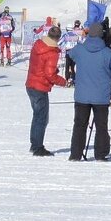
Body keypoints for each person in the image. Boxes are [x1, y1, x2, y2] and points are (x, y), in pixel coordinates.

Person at [66, 20, 111, 162]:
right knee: (101, 127)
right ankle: (100, 155)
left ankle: (75, 155)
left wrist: (71, 72)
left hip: (81, 96)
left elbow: (69, 55)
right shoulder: (107, 53)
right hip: (101, 97)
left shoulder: (79, 49)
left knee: (79, 125)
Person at [24, 25, 67, 156]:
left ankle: (34, 144)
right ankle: (37, 147)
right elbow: (50, 75)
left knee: (37, 116)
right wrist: (63, 81)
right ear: (58, 38)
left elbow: (41, 65)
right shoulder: (51, 52)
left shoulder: (38, 44)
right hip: (40, 86)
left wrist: (54, 71)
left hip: (31, 83)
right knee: (42, 118)